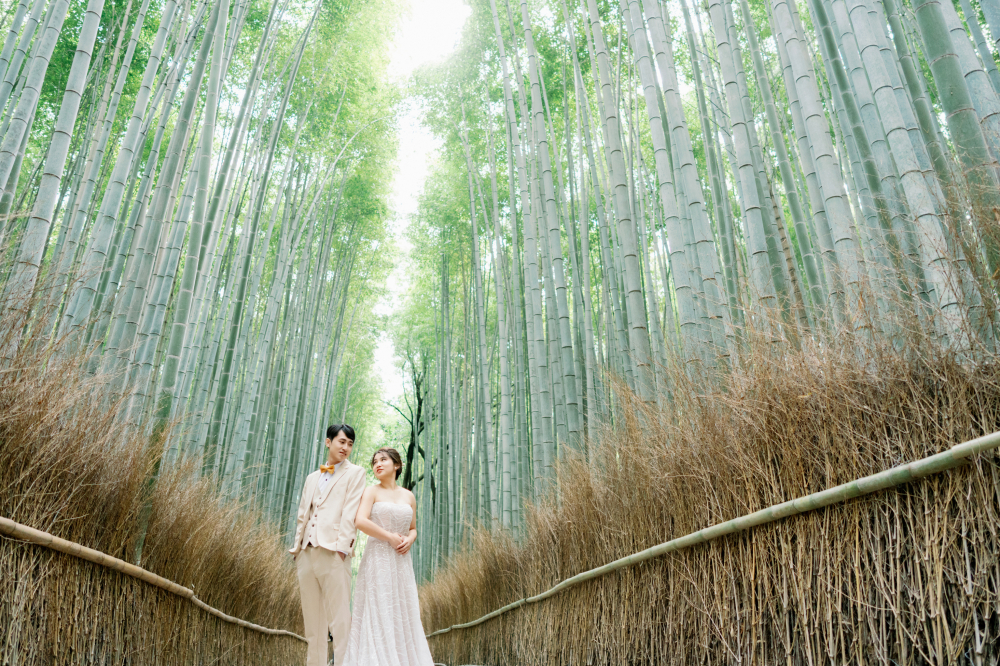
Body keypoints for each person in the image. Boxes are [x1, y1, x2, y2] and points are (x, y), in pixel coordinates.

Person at [341, 447, 435, 666]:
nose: (378, 464)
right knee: (379, 608)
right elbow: (360, 521)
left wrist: (410, 539)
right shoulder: (371, 491)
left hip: (401, 560)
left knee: (402, 609)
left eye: (383, 460)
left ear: (397, 465)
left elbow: (413, 528)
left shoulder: (409, 495)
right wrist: (389, 538)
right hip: (378, 558)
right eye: (374, 462)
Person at [289, 424, 367, 666]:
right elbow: (304, 513)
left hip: (334, 552)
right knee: (313, 625)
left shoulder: (356, 473)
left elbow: (350, 511)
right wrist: (297, 549)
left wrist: (342, 549)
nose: (346, 447)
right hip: (306, 553)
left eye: (350, 444)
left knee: (340, 621)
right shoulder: (312, 477)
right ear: (328, 442)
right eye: (342, 442)